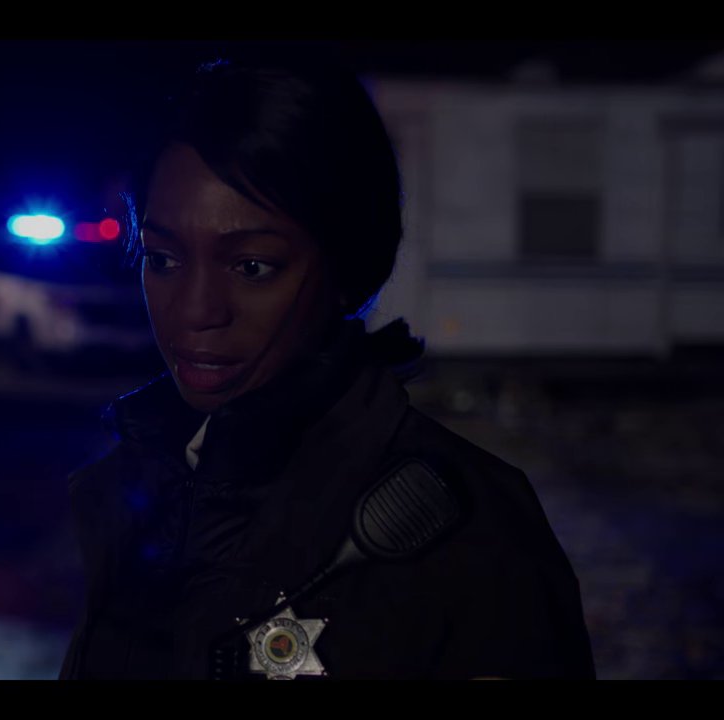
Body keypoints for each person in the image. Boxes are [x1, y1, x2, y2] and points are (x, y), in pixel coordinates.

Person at [57, 46, 595, 680]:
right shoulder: (133, 488)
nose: (196, 310)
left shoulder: (467, 524)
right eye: (163, 259)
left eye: (251, 266)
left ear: (347, 266)